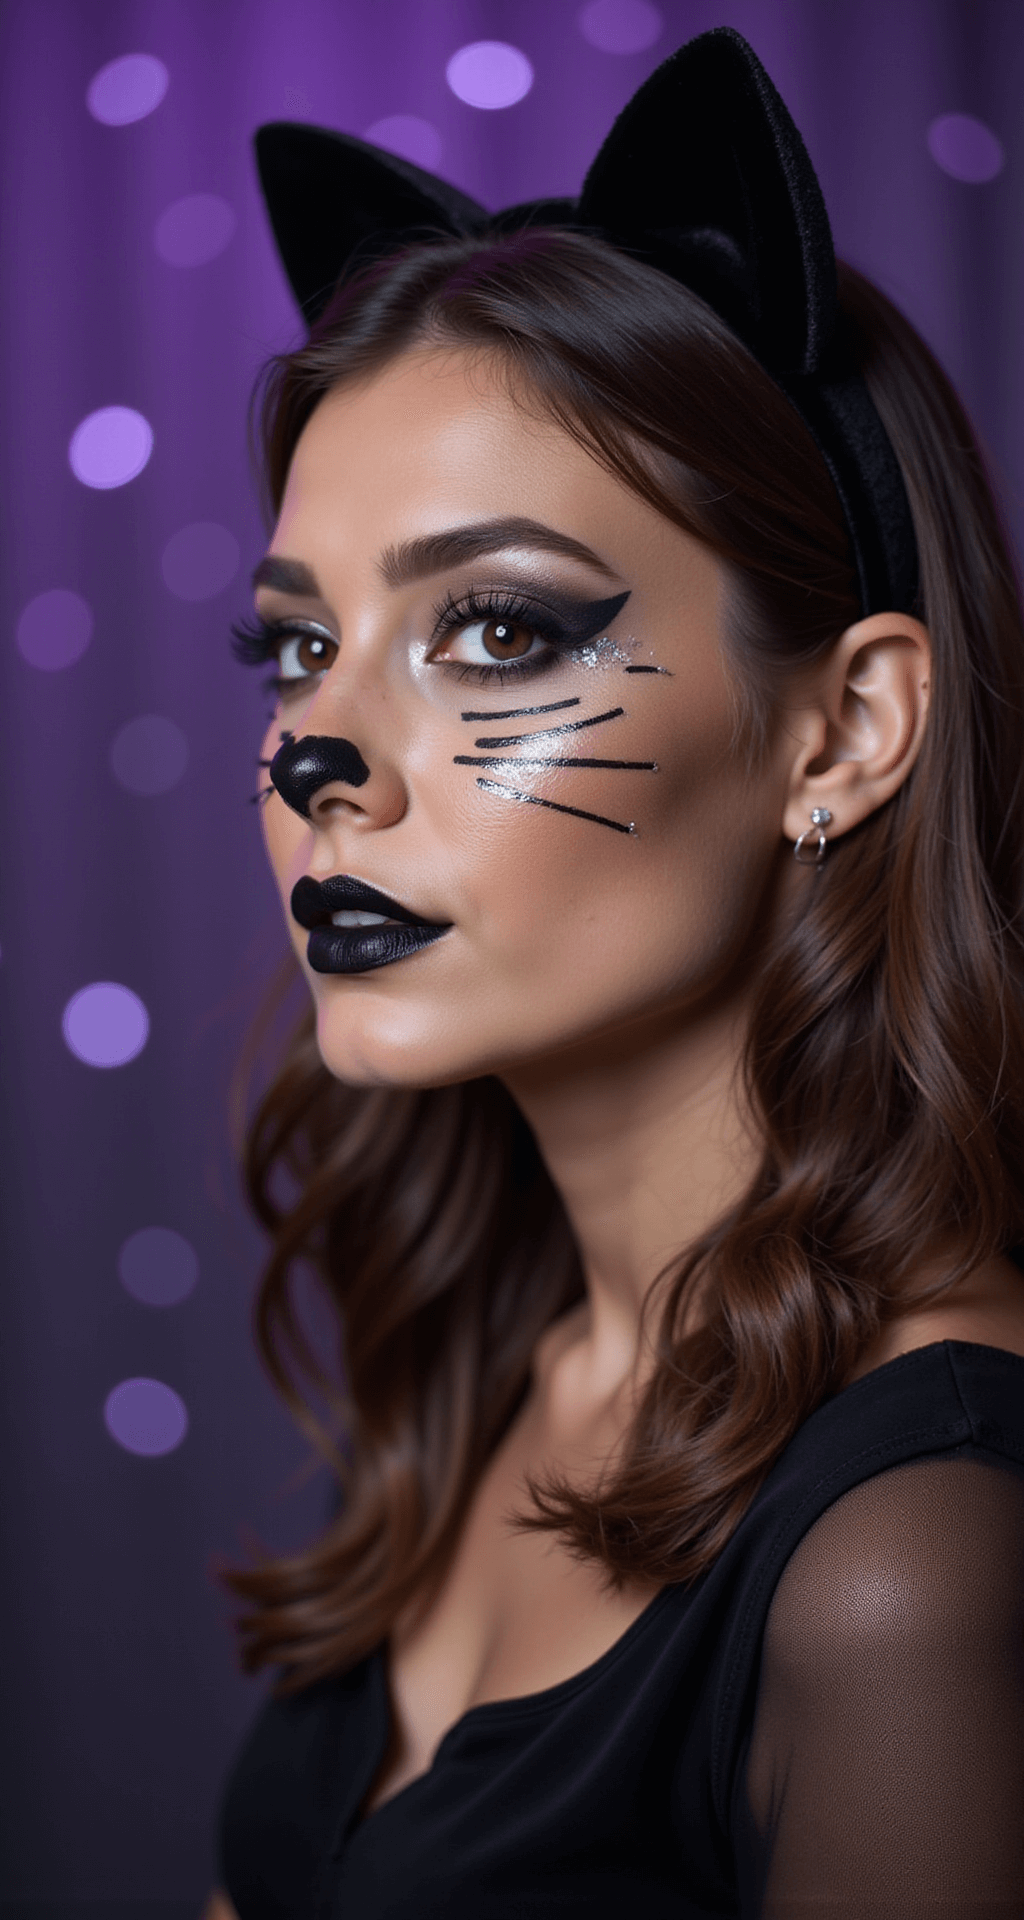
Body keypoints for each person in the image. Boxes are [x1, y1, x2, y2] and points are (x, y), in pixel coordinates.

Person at [207, 28, 1024, 1919]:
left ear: (845, 730)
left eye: (493, 631)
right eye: (297, 651)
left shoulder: (916, 1549)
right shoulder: (509, 1356)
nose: (329, 761)